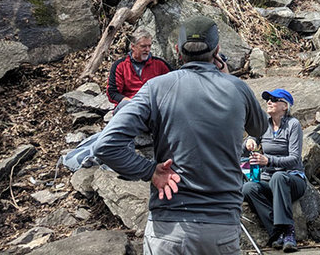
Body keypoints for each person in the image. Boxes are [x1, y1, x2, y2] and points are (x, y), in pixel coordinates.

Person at [94, 16, 268, 255]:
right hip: (222, 227)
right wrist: (228, 79)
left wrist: (150, 171)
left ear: (177, 50)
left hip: (169, 228)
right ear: (217, 50)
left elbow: (106, 145)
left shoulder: (156, 88)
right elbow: (261, 128)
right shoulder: (238, 88)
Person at [241, 88, 306, 253]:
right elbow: (249, 142)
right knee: (248, 188)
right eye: (268, 99)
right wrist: (249, 142)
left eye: (274, 99)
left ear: (285, 106)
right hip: (268, 181)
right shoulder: (264, 124)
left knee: (278, 176)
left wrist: (269, 161)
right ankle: (276, 234)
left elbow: (294, 159)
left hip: (292, 179)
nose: (269, 102)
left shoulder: (293, 125)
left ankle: (289, 230)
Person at [106, 28, 170, 112]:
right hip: (129, 106)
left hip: (154, 106)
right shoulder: (120, 66)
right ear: (133, 46)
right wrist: (132, 102)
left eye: (149, 46)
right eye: (143, 46)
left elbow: (173, 85)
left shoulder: (160, 64)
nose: (147, 50)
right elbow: (112, 93)